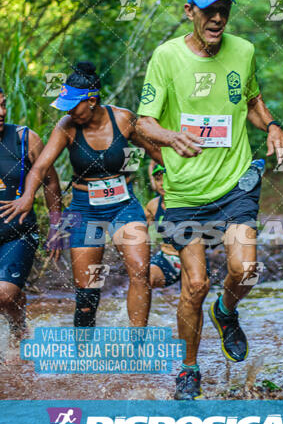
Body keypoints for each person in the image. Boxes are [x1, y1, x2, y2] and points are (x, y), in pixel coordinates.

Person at [136, 0, 283, 399]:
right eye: (209, 10)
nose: (218, 18)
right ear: (190, 12)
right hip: (185, 192)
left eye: (224, 9)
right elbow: (142, 121)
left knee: (245, 269)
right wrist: (170, 137)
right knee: (195, 285)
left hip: (235, 182)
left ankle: (227, 310)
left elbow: (253, 100)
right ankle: (188, 370)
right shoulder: (166, 58)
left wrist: (273, 126)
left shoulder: (244, 51)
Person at [0, 62, 163, 328]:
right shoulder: (67, 126)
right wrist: (28, 195)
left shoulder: (123, 119)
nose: (68, 112)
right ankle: (83, 352)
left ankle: (137, 344)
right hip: (84, 208)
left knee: (140, 271)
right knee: (87, 291)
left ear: (92, 100)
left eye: (72, 106)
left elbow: (157, 152)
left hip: (124, 204)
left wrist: (182, 181)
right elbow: (41, 166)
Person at [0, 87, 62, 343]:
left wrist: (57, 227)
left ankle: (18, 330)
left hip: (18, 233)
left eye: (3, 105)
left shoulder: (25, 138)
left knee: (3, 293)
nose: (1, 112)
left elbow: (51, 182)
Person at [144, 164, 182, 289]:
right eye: (158, 179)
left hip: (193, 258)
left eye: (166, 179)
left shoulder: (190, 202)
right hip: (168, 256)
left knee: (192, 300)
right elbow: (140, 231)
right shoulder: (153, 205)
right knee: (144, 279)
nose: (161, 184)